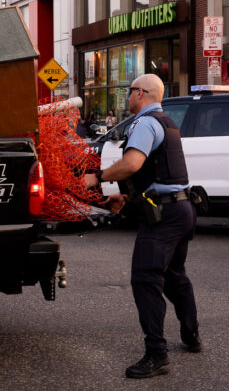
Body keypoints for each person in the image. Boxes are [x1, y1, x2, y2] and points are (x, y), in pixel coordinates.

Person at [83, 73, 201, 380]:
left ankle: (157, 354)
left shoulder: (146, 124)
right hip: (182, 208)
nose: (127, 96)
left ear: (141, 93)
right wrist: (127, 199)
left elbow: (133, 163)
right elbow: (158, 175)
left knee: (146, 280)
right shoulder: (166, 122)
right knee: (175, 276)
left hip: (167, 214)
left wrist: (98, 176)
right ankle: (191, 336)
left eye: (129, 91)